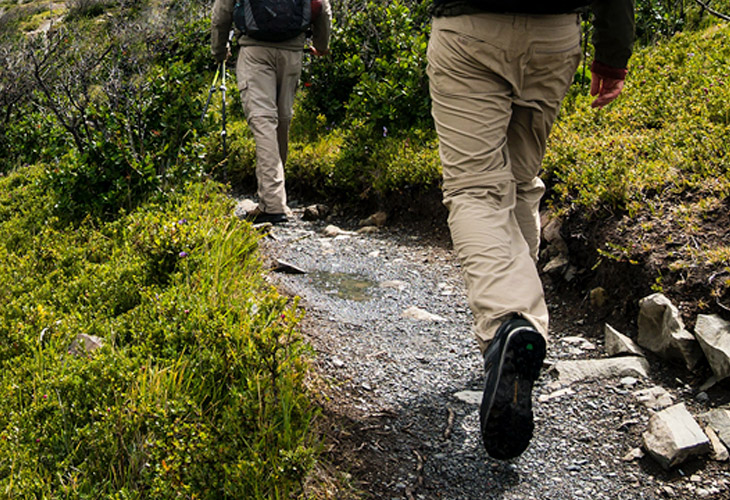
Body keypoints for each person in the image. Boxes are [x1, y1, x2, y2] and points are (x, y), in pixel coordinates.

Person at [426, 0, 634, 459]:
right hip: (554, 36)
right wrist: (613, 52)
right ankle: (521, 333)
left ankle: (511, 320)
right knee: (520, 183)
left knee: (476, 190)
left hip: (469, 31)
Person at [211, 0, 332, 224]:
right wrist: (321, 45)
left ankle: (273, 204)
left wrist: (219, 52)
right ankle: (274, 197)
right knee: (282, 120)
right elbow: (322, 8)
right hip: (293, 53)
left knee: (264, 122)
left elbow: (221, 14)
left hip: (254, 51)